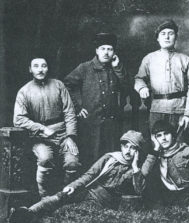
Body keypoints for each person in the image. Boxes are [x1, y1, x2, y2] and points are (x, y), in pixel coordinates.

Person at [9, 130, 156, 223]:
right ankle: (27, 213)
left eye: (133, 148)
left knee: (67, 211)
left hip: (104, 201)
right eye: (125, 146)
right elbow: (90, 175)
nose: (128, 151)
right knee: (60, 196)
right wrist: (73, 186)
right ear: (121, 146)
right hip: (88, 190)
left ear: (138, 151)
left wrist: (136, 167)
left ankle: (35, 217)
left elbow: (140, 190)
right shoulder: (110, 158)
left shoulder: (137, 168)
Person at [13, 56, 81, 198]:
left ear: (47, 68)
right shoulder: (24, 91)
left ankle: (66, 196)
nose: (40, 69)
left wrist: (70, 137)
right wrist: (41, 128)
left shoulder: (58, 85)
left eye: (43, 66)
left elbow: (69, 112)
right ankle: (45, 198)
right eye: (36, 66)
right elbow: (18, 119)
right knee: (45, 159)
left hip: (63, 134)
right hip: (40, 137)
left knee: (72, 162)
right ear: (30, 70)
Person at [64, 32, 129, 168]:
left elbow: (127, 86)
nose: (106, 52)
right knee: (91, 159)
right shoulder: (85, 68)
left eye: (110, 49)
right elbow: (66, 86)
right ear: (97, 50)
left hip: (112, 125)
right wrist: (77, 107)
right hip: (91, 125)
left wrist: (117, 68)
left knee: (111, 160)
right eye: (103, 49)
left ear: (114, 52)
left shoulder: (116, 69)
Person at [134, 20, 189, 141]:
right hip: (157, 109)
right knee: (157, 145)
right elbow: (139, 78)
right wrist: (142, 87)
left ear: (176, 37)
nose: (167, 36)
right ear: (157, 38)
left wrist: (187, 114)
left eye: (170, 33)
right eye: (163, 34)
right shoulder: (149, 58)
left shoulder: (185, 60)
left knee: (179, 144)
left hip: (179, 110)